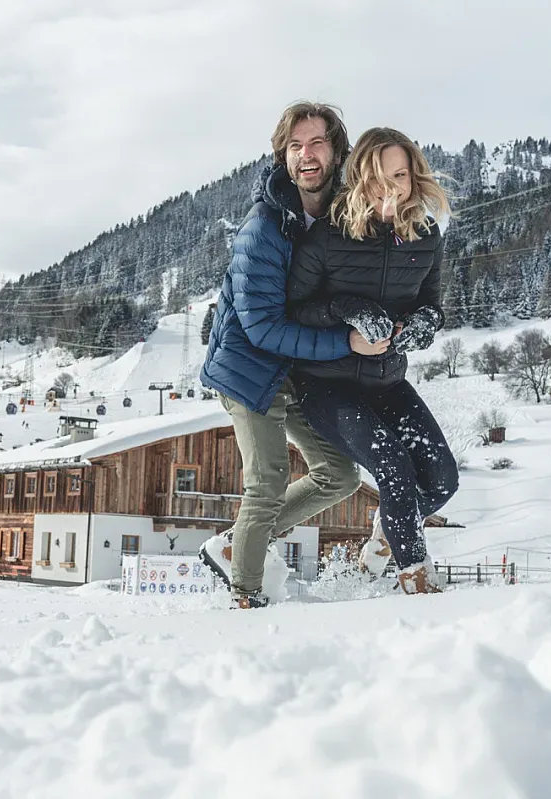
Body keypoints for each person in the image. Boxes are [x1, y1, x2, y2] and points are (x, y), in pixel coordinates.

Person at [199, 102, 387, 609]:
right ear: (282, 155)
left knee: (341, 475)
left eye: (317, 143)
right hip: (245, 368)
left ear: (336, 150)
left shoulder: (339, 215)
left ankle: (238, 544)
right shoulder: (263, 229)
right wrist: (346, 343)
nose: (307, 155)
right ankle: (245, 596)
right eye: (295, 146)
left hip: (291, 370)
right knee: (268, 480)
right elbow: (260, 327)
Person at [287, 126, 460, 594]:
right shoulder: (328, 235)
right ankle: (416, 580)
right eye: (379, 177)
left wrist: (425, 323)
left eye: (400, 175)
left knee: (443, 479)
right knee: (393, 465)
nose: (390, 187)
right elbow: (295, 309)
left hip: (386, 381)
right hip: (327, 384)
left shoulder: (425, 235)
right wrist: (347, 310)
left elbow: (432, 304)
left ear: (414, 176)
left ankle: (388, 532)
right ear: (360, 176)